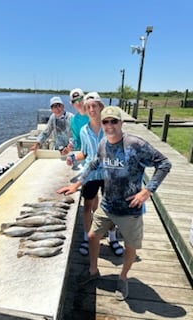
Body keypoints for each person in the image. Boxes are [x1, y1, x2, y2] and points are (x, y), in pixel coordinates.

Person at [76, 106, 172, 300]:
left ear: (121, 123)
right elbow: (95, 162)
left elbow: (164, 164)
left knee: (130, 245)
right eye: (106, 122)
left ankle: (123, 277)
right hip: (107, 205)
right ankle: (93, 271)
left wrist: (147, 190)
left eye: (114, 121)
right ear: (102, 125)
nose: (110, 125)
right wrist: (78, 182)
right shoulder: (103, 143)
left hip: (130, 209)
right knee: (93, 236)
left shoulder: (135, 144)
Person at [57, 93, 123, 257]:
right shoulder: (84, 131)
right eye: (88, 107)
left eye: (95, 106)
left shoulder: (110, 127)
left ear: (101, 107)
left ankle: (112, 238)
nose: (92, 109)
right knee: (87, 208)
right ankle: (87, 238)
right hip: (91, 175)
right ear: (85, 110)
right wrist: (72, 157)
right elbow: (85, 154)